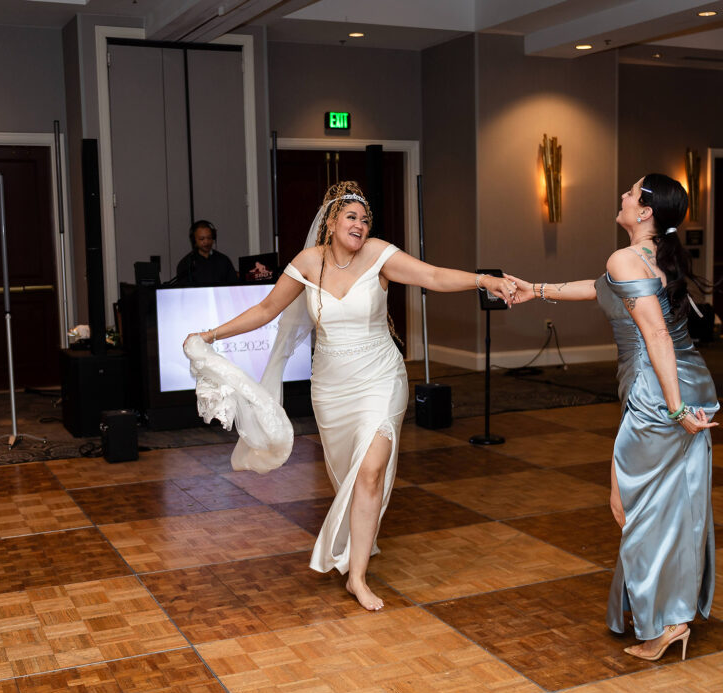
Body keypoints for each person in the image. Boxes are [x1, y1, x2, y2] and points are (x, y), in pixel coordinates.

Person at [184, 181, 516, 611]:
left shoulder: (378, 254)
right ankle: (360, 540)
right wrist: (210, 334)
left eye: (365, 219)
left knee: (370, 471)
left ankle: (357, 577)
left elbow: (432, 276)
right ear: (331, 222)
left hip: (380, 377)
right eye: (351, 217)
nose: (360, 225)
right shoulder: (308, 262)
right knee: (349, 475)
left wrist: (483, 280)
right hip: (331, 388)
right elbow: (266, 310)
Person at [507, 173, 719, 661]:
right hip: (689, 382)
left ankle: (663, 622)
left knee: (631, 505)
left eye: (631, 192)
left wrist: (675, 409)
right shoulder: (647, 257)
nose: (622, 195)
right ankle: (673, 616)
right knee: (676, 503)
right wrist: (534, 288)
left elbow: (657, 336)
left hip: (658, 390)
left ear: (645, 211)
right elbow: (598, 289)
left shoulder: (626, 257)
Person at [176, 220, 238, 285]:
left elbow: (234, 285)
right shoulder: (186, 264)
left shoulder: (224, 261)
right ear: (194, 241)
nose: (206, 242)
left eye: (209, 238)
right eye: (202, 239)